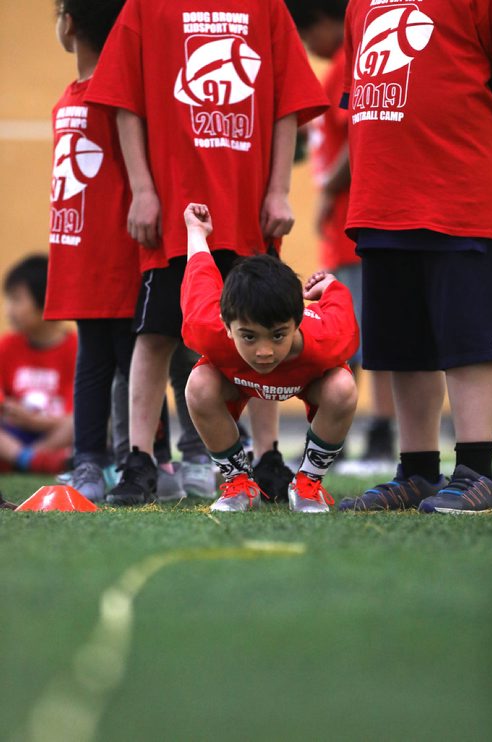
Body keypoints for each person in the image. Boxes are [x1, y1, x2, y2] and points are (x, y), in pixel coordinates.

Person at [85, 0, 330, 506]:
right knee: (155, 333)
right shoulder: (145, 9)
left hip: (247, 211)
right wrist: (143, 190)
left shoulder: (267, 9)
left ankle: (267, 457)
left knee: (263, 332)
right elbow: (125, 102)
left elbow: (287, 102)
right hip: (175, 207)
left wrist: (279, 188)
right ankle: (139, 459)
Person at [337, 0, 492, 513]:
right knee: (402, 345)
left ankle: (477, 469)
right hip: (383, 198)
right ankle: (418, 470)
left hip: (461, 194)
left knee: (469, 340)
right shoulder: (358, 4)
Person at [45, 0, 184, 502]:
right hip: (80, 253)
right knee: (93, 359)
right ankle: (87, 461)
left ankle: (150, 461)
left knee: (139, 358)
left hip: (124, 252)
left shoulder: (121, 97)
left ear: (69, 23)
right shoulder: (70, 94)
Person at [180, 203, 358, 513]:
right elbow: (200, 272)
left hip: (306, 380)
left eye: (278, 335)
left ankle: (308, 484)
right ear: (225, 324)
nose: (264, 352)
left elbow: (340, 305)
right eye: (248, 336)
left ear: (299, 320)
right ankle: (239, 483)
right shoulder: (206, 325)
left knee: (343, 387)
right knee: (198, 384)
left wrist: (330, 287)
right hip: (233, 382)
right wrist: (197, 231)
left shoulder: (328, 337)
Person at [287, 0, 396, 466]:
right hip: (345, 231)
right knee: (354, 335)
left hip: (355, 226)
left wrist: (330, 191)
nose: (308, 47)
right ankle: (350, 433)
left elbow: (360, 136)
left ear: (325, 22)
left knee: (364, 337)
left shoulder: (348, 65)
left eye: (306, 34)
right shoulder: (338, 68)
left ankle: (378, 433)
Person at [0, 255, 76, 474]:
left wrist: (34, 421)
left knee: (85, 423)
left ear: (46, 300)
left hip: (56, 434)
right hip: (14, 434)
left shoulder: (75, 348)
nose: (9, 310)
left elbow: (76, 417)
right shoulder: (7, 346)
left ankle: (23, 458)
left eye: (16, 299)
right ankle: (33, 460)